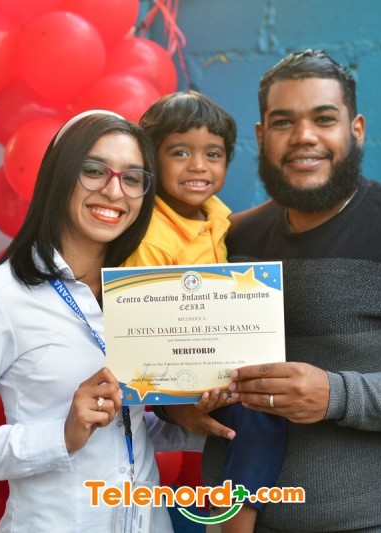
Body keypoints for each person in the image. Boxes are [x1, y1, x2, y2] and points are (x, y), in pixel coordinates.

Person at [160, 50, 381, 532]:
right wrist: (176, 406)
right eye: (284, 122)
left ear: (356, 130)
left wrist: (338, 395)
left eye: (324, 119)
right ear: (262, 137)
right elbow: (177, 362)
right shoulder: (231, 238)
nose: (304, 136)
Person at [0, 110, 201, 532]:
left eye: (132, 177)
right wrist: (60, 437)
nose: (114, 191)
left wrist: (188, 419)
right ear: (59, 176)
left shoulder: (139, 294)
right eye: (93, 170)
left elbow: (127, 425)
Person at [122, 91, 284, 533]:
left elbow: (231, 246)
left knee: (273, 401)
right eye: (180, 152)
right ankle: (236, 523)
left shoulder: (215, 214)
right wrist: (178, 403)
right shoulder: (150, 237)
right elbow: (144, 333)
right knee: (259, 417)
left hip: (218, 367)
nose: (198, 166)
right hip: (175, 377)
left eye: (213, 154)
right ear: (151, 160)